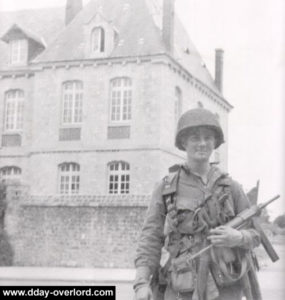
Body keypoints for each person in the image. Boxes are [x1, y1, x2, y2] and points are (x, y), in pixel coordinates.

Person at [134, 108, 262, 300]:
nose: (202, 143)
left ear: (215, 143)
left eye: (208, 138)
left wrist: (238, 237)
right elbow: (150, 239)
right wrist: (141, 283)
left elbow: (256, 235)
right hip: (182, 288)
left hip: (226, 289)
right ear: (184, 142)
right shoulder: (166, 188)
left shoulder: (232, 187)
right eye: (195, 138)